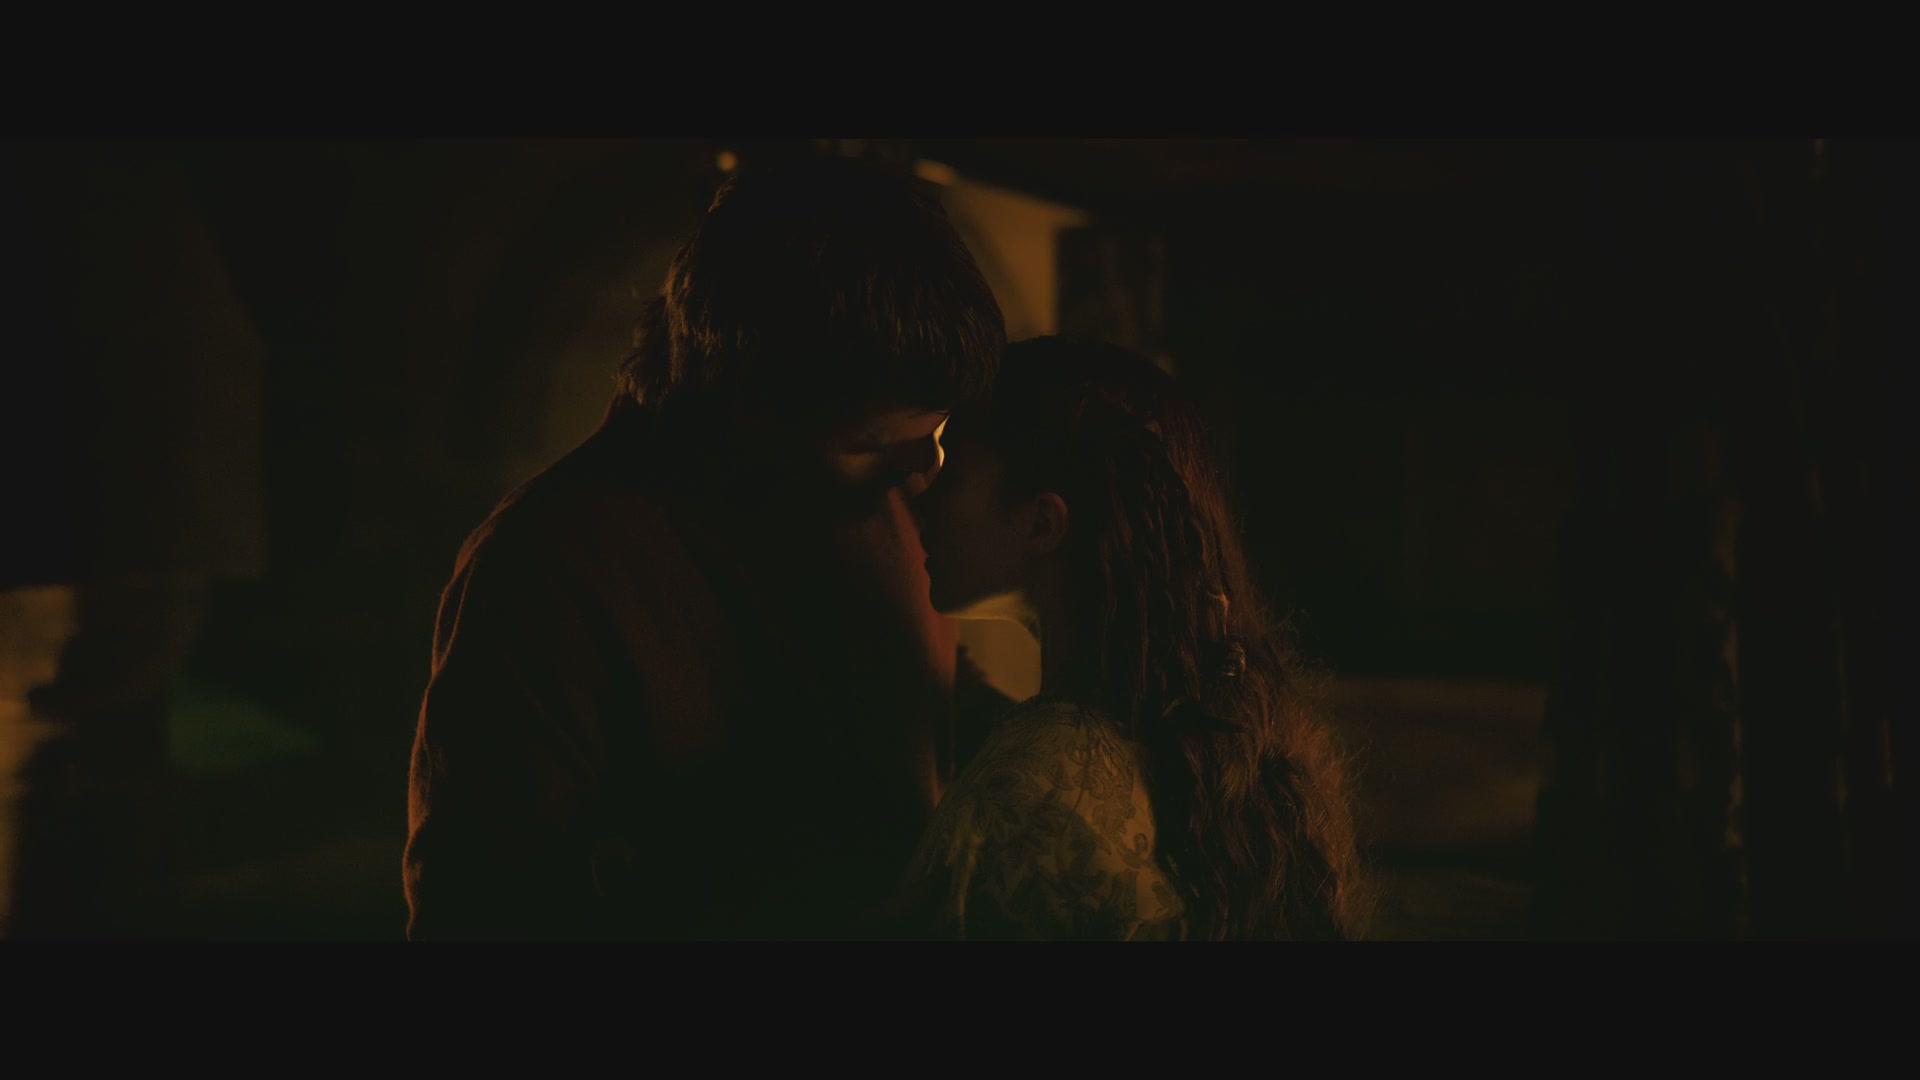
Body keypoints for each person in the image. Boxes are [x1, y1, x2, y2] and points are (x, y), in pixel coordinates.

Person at [403, 155, 1008, 939]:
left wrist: (1068, 758)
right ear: (745, 401)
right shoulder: (546, 571)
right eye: (869, 444)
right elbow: (479, 906)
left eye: (933, 434)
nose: (923, 470)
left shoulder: (874, 498)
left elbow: (935, 688)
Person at [900, 336, 1367, 940]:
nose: (921, 501)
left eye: (953, 474)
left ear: (1041, 524)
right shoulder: (1206, 736)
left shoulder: (1033, 792)